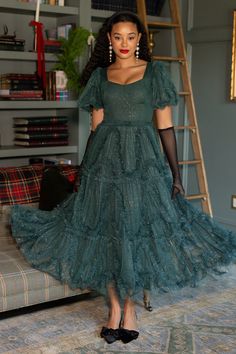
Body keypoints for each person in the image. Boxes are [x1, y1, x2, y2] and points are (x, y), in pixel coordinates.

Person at [11, 10, 236, 345]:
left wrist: (175, 175)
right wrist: (85, 171)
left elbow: (166, 127)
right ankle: (113, 308)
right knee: (109, 232)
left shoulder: (155, 73)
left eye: (131, 37)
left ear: (140, 39)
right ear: (110, 40)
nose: (125, 43)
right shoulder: (101, 76)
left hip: (143, 164)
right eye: (118, 37)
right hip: (105, 164)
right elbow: (96, 128)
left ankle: (129, 309)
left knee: (133, 235)